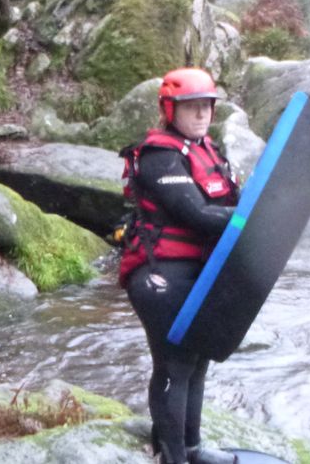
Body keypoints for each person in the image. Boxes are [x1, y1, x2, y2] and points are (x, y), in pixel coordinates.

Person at [118, 67, 240, 464]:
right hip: (159, 278)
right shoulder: (159, 157)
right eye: (191, 107)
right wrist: (251, 219)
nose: (201, 114)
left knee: (199, 359)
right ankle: (172, 457)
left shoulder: (209, 149)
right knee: (175, 364)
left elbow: (231, 202)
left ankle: (191, 447)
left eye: (206, 106)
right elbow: (198, 215)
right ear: (170, 109)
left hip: (198, 273)